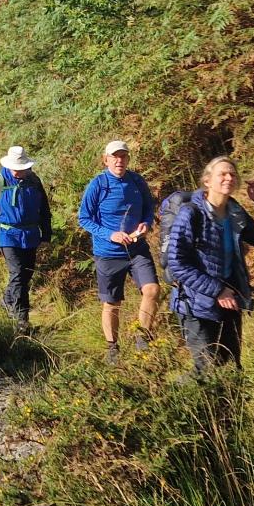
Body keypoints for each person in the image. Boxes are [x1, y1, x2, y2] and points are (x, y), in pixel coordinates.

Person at [163, 156, 254, 376]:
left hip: (229, 300)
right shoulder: (191, 214)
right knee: (207, 369)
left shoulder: (234, 212)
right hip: (196, 303)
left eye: (232, 174)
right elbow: (177, 263)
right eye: (222, 174)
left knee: (231, 367)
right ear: (207, 181)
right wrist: (217, 290)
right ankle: (170, 404)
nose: (229, 177)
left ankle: (231, 410)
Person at [79, 140, 161, 363]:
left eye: (123, 156)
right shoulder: (98, 184)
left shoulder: (136, 181)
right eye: (115, 156)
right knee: (112, 302)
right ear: (105, 159)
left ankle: (142, 338)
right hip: (108, 252)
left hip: (137, 249)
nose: (119, 160)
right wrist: (110, 234)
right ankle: (112, 348)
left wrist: (145, 224)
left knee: (152, 290)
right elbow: (84, 218)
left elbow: (148, 209)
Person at [0, 146, 52, 335]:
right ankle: (22, 319)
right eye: (15, 167)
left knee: (26, 274)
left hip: (30, 235)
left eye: (21, 167)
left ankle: (7, 299)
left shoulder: (34, 181)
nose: (18, 171)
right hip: (8, 235)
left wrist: (46, 234)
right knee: (18, 274)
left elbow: (44, 210)